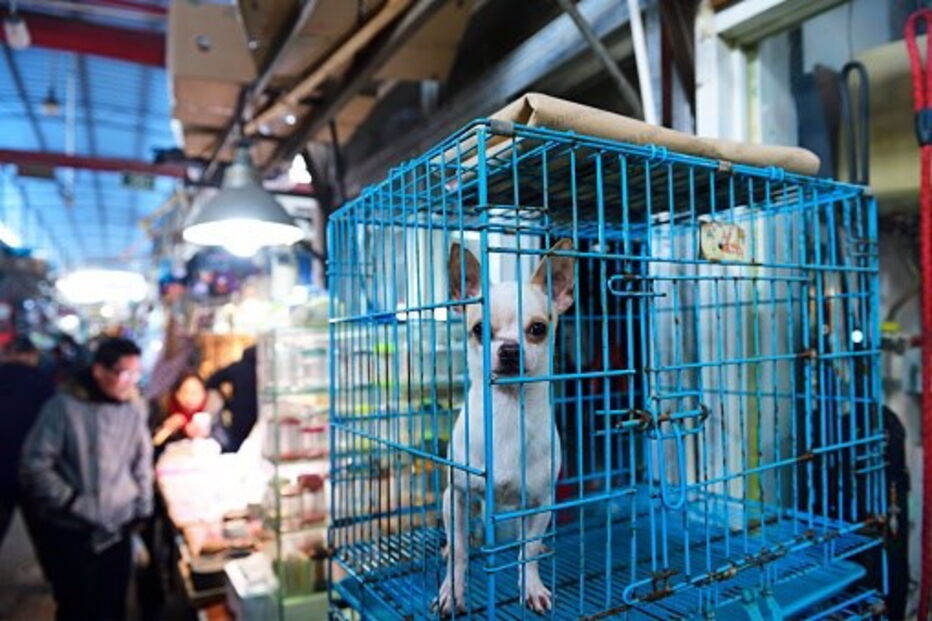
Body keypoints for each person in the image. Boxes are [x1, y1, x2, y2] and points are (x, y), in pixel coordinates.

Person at [20, 337, 153, 621]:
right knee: (76, 607)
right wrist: (70, 501)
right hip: (71, 531)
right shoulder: (63, 408)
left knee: (114, 606)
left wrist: (143, 506)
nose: (131, 382)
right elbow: (34, 464)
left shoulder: (134, 409)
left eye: (135, 374)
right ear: (99, 372)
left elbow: (142, 461)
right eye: (124, 373)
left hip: (119, 529)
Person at [0, 337, 54, 549]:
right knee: (47, 538)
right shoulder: (43, 382)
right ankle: (58, 578)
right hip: (32, 469)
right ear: (32, 355)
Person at [206, 345, 258, 452]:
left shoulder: (236, 368)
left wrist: (225, 399)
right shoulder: (263, 370)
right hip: (258, 411)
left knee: (237, 444)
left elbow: (212, 381)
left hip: (239, 411)